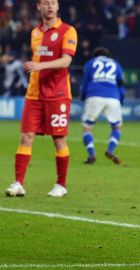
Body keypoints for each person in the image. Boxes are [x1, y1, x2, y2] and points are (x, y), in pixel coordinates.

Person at [5, 0, 77, 197]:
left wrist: (39, 66)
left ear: (58, 6)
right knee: (26, 136)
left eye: (53, 2)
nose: (50, 6)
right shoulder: (35, 33)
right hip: (34, 94)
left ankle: (61, 185)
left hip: (58, 95)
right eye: (46, 3)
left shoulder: (67, 31)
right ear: (39, 6)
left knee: (59, 139)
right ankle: (18, 183)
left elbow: (66, 61)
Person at [80, 47, 125, 165]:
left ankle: (91, 155)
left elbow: (85, 82)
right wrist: (121, 99)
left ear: (95, 55)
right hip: (113, 97)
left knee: (87, 128)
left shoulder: (90, 63)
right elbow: (121, 84)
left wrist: (84, 96)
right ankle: (110, 150)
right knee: (117, 127)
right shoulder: (116, 64)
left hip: (94, 95)